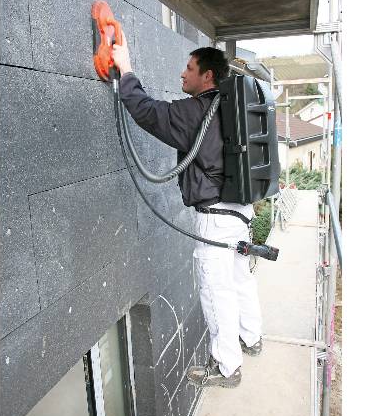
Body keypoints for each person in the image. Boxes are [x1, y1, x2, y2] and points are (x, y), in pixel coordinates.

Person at [112, 32, 263, 388]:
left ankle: (227, 367)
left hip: (216, 220)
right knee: (240, 278)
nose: (182, 73)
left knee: (216, 290)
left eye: (189, 68)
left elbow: (148, 112)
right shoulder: (233, 109)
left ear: (207, 76)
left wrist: (125, 68)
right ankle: (252, 336)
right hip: (241, 212)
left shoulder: (198, 111)